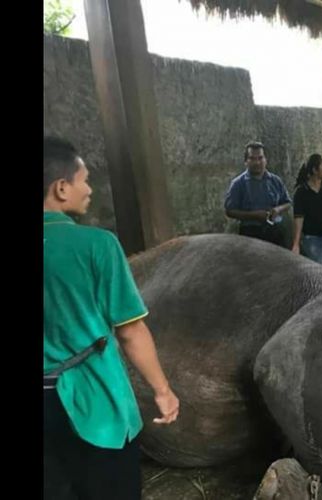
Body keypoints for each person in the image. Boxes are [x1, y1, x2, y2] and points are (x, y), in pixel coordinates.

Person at [43, 136, 180, 499]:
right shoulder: (97, 246)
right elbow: (131, 331)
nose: (89, 189)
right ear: (60, 188)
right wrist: (163, 392)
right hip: (93, 404)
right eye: (83, 180)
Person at [224, 141, 292, 247]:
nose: (257, 162)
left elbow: (287, 202)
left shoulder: (275, 181)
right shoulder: (238, 183)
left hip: (275, 231)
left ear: (265, 160)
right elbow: (230, 211)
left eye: (260, 158)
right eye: (252, 158)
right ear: (246, 161)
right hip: (250, 233)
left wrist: (277, 210)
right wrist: (254, 215)